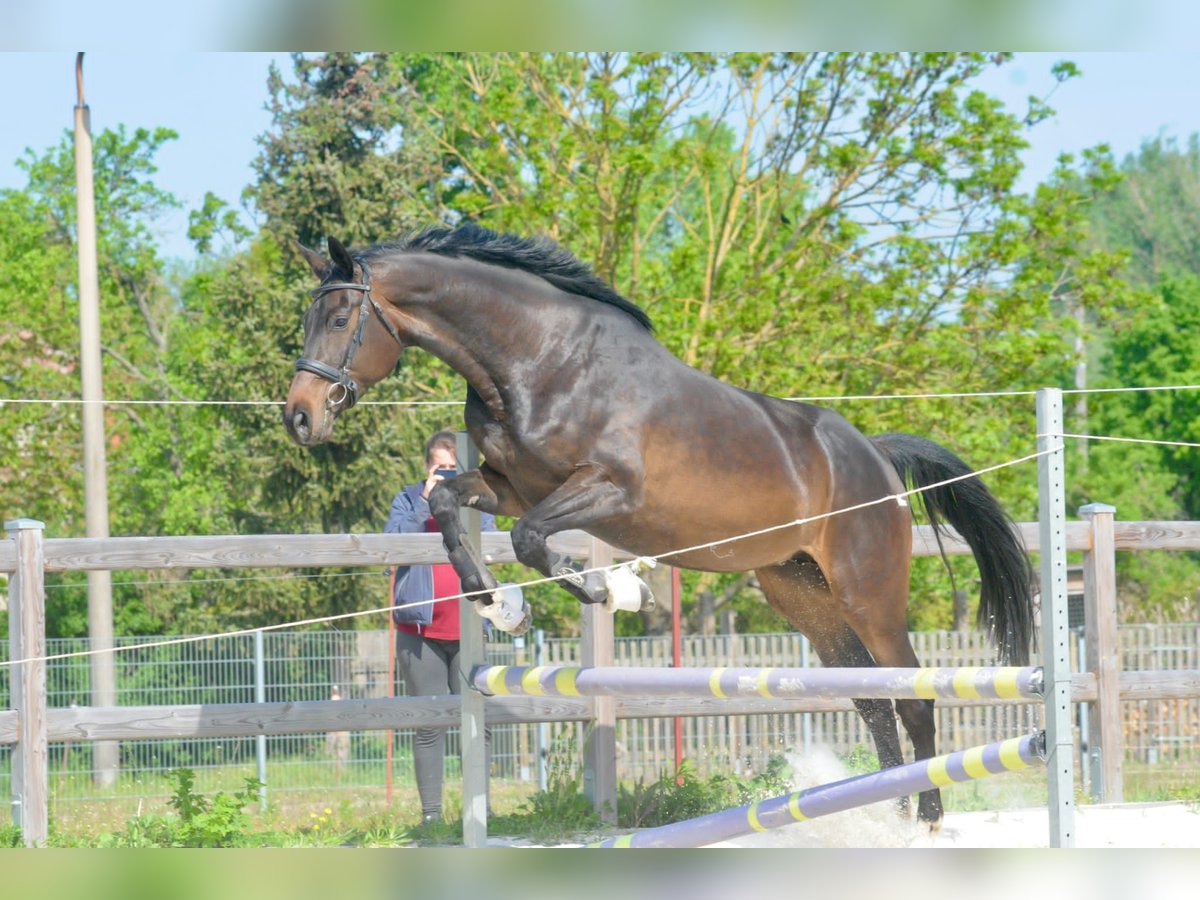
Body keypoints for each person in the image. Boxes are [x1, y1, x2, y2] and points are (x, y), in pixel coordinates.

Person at [386, 430, 495, 825]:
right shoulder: (407, 500)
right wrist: (424, 504)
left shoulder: (479, 503)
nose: (448, 476)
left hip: (469, 629)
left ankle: (481, 812)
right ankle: (432, 818)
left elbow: (496, 548)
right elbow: (390, 547)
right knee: (430, 725)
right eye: (441, 468)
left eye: (454, 469)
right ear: (427, 467)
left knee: (477, 724)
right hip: (421, 635)